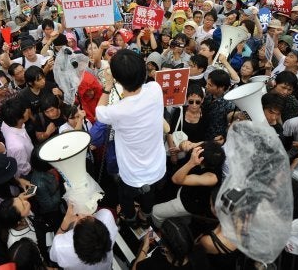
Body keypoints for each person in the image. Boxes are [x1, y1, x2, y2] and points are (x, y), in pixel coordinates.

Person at [96, 49, 166, 227]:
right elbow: (150, 82)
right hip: (156, 167)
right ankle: (145, 217)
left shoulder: (117, 110)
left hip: (131, 173)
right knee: (149, 195)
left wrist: (107, 85)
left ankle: (131, 219)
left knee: (126, 197)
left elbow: (99, 112)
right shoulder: (155, 89)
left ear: (118, 79)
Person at [152, 143, 224, 228]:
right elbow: (185, 144)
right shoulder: (212, 150)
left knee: (155, 212)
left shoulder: (212, 177)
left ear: (202, 162)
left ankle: (160, 229)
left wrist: (191, 163)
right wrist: (183, 146)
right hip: (186, 190)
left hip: (190, 202)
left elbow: (176, 179)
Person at [49, 204, 118, 270]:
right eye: (90, 218)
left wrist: (65, 221)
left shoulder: (61, 246)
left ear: (74, 236)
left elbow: (53, 256)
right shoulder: (106, 217)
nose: (81, 215)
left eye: (80, 221)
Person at [133, 218, 210, 270]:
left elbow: (135, 268)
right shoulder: (201, 255)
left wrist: (145, 246)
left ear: (165, 248)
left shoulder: (155, 264)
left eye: (161, 236)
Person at [200, 69, 234, 142]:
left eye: (210, 85)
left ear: (221, 88)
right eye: (207, 83)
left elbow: (231, 121)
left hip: (215, 140)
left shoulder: (229, 103)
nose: (206, 86)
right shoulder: (207, 93)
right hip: (201, 133)